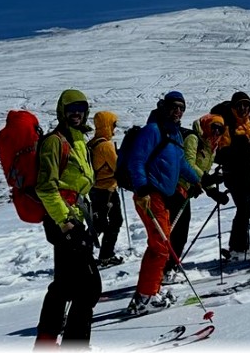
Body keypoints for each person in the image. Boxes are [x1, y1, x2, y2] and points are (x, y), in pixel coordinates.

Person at [34, 89, 102, 348]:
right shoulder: (55, 141)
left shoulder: (79, 140)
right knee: (88, 287)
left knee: (64, 285)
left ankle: (46, 343)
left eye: (81, 108)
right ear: (62, 111)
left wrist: (90, 212)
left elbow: (80, 182)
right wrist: (66, 223)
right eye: (71, 108)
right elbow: (46, 187)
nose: (77, 113)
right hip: (62, 220)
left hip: (73, 217)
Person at [123, 91, 201, 316]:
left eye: (181, 108)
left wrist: (196, 181)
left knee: (161, 244)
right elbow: (136, 160)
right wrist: (142, 188)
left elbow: (181, 164)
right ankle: (146, 296)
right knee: (160, 245)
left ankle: (148, 293)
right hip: (149, 195)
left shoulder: (174, 134)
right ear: (164, 107)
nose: (178, 111)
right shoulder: (153, 131)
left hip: (161, 196)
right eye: (174, 107)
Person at [162, 111, 229, 283]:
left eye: (220, 129)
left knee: (180, 233)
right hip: (175, 188)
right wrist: (206, 179)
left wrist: (213, 191)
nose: (216, 132)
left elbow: (203, 172)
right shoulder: (193, 138)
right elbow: (189, 164)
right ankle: (165, 269)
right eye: (214, 127)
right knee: (175, 232)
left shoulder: (211, 145)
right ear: (207, 125)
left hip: (186, 191)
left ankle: (170, 268)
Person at [213, 91, 250, 261]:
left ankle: (239, 247)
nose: (243, 108)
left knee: (247, 210)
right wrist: (244, 148)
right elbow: (223, 151)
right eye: (239, 105)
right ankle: (238, 249)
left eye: (246, 105)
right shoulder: (227, 124)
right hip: (233, 172)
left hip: (246, 171)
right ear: (233, 107)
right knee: (243, 209)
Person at [88, 111, 124, 267]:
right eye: (113, 124)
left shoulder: (92, 143)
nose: (115, 128)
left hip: (95, 189)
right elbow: (119, 168)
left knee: (98, 223)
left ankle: (84, 255)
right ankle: (106, 256)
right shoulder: (106, 146)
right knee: (114, 222)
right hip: (107, 190)